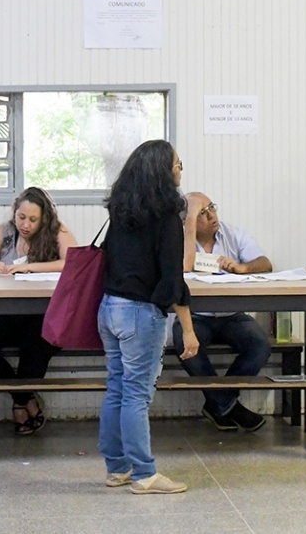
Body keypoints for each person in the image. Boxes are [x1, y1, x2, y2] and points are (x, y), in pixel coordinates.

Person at [98, 140, 199, 494]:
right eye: (177, 163)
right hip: (139, 314)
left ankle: (117, 468)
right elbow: (173, 279)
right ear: (162, 171)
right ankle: (144, 474)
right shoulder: (166, 216)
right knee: (136, 395)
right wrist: (188, 329)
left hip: (109, 309)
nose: (180, 169)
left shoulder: (121, 211)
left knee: (117, 388)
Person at [0, 186, 78, 435]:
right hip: (7, 310)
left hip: (46, 312)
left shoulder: (57, 230)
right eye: (21, 217)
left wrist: (31, 267)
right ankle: (24, 398)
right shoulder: (4, 232)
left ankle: (19, 404)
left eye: (33, 219)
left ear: (44, 219)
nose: (25, 225)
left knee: (35, 345)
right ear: (15, 213)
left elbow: (72, 263)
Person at [179, 191, 273, 431]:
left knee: (259, 345)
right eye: (202, 213)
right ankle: (230, 407)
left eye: (212, 207)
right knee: (187, 347)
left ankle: (218, 404)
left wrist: (243, 268)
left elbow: (265, 263)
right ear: (188, 219)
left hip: (232, 315)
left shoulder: (233, 233)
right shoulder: (177, 239)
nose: (212, 215)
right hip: (195, 317)